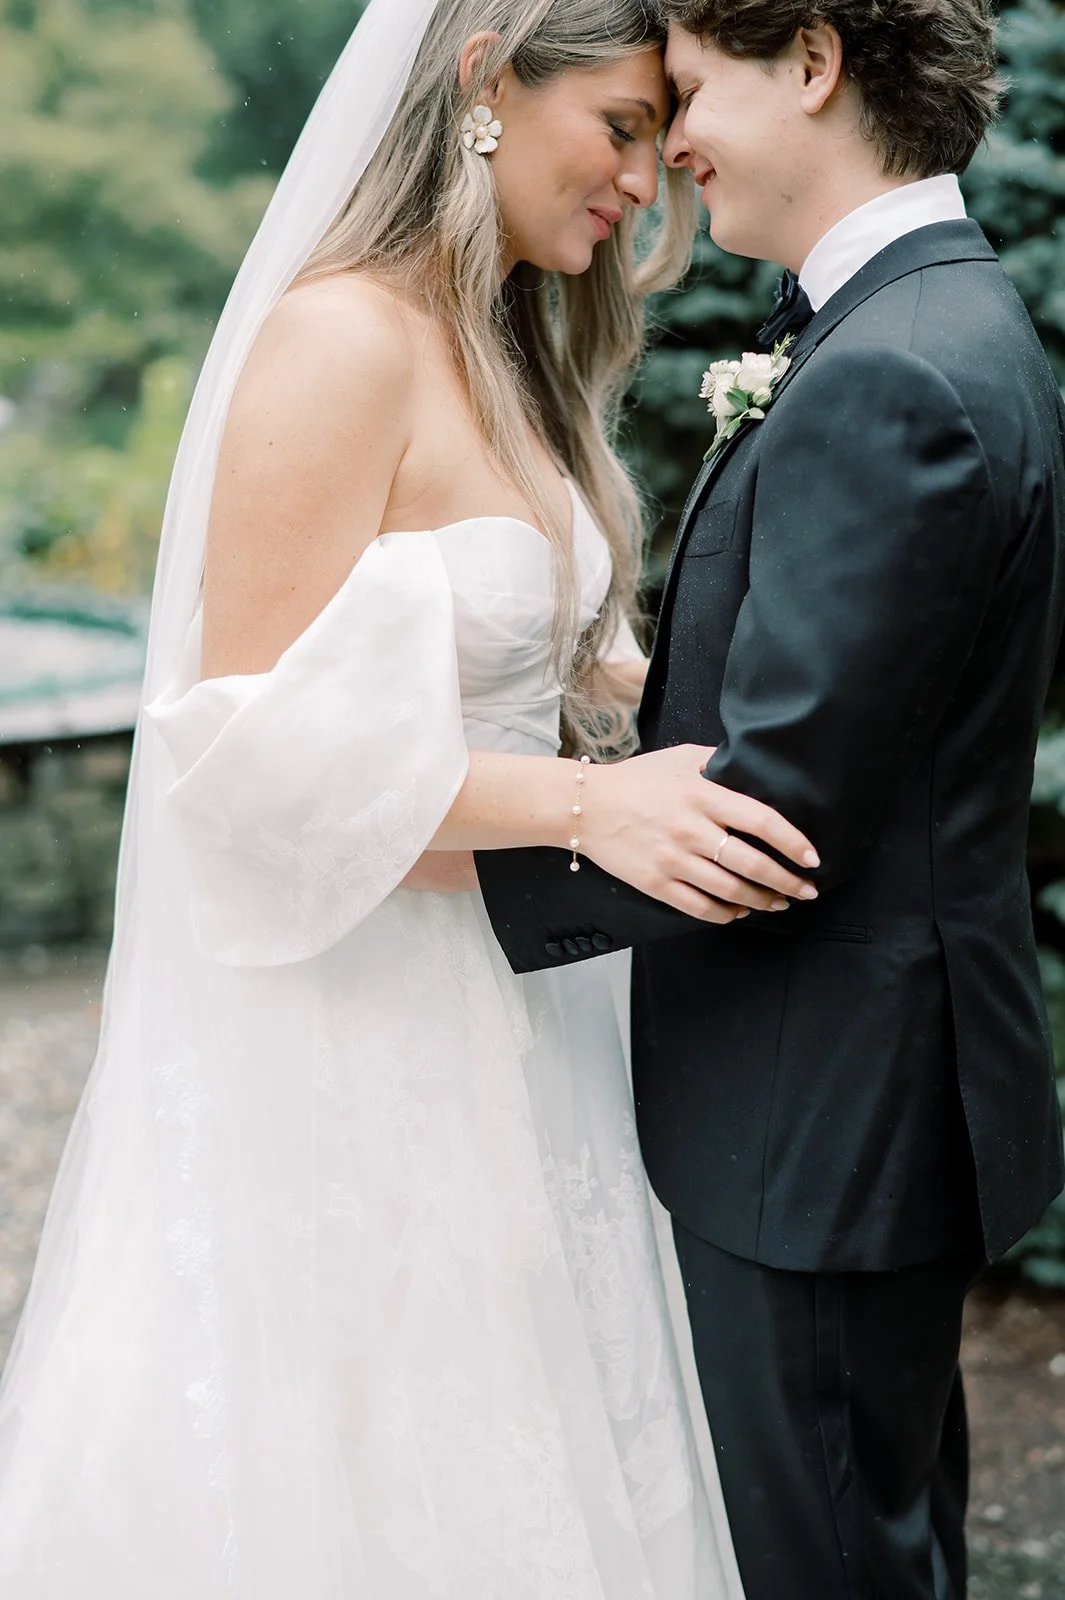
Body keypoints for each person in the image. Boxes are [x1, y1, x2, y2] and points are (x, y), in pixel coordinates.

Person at [0, 1, 821, 1595]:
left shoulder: (505, 342)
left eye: (663, 137)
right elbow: (239, 759)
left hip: (531, 1006)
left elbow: (518, 672)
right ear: (483, 86)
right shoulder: (338, 339)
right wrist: (589, 811)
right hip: (358, 1026)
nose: (646, 186)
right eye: (623, 127)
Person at [475, 3, 1065, 1598]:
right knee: (878, 1537)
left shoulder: (893, 374)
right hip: (858, 1097)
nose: (671, 144)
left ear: (810, 64)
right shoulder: (925, 323)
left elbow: (775, 810)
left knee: (829, 1564)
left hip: (819, 1115)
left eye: (695, 90)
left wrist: (451, 868)